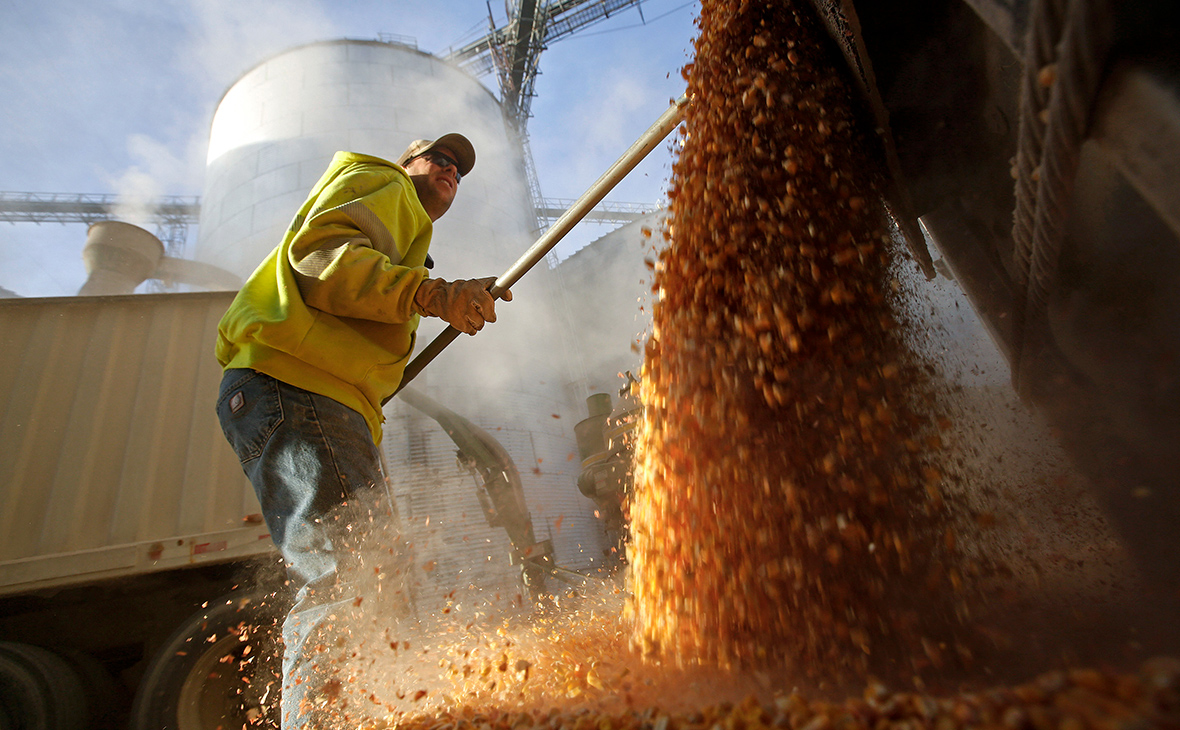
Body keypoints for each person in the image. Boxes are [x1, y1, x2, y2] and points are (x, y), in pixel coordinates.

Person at [214, 134, 510, 728]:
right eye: (440, 158)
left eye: (460, 169)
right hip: (301, 387)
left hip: (307, 393)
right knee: (353, 575)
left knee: (376, 576)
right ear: (410, 163)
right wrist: (429, 293)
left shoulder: (406, 232)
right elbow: (322, 257)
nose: (452, 170)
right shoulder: (388, 184)